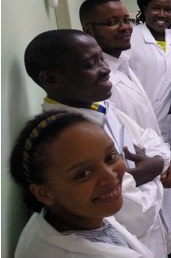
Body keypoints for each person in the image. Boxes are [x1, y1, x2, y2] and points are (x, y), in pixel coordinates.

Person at [24, 29, 171, 257]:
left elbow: (149, 137)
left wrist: (153, 166)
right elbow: (136, 213)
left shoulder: (98, 106)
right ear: (51, 79)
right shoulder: (64, 140)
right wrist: (152, 169)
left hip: (155, 234)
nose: (104, 68)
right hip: (138, 238)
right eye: (89, 64)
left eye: (101, 58)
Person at [80, 0, 171, 255]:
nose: (125, 27)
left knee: (164, 235)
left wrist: (165, 158)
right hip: (134, 192)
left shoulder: (122, 64)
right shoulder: (101, 82)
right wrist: (157, 164)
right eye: (112, 22)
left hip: (152, 171)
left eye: (126, 20)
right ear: (89, 30)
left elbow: (144, 129)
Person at [10, 110, 153, 258]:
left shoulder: (57, 217)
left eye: (110, 157)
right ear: (43, 193)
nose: (110, 177)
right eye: (83, 174)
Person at [128, 0, 171, 149]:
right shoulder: (131, 37)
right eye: (156, 8)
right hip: (139, 121)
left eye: (168, 9)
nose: (162, 14)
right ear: (144, 8)